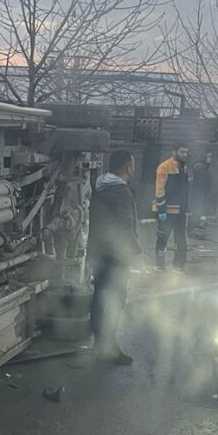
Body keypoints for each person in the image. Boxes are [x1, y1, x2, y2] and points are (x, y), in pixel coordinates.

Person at [88, 150, 140, 365]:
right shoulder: (120, 191)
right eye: (133, 165)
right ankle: (108, 347)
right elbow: (124, 227)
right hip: (116, 257)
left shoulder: (100, 188)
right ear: (128, 167)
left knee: (100, 298)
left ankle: (99, 344)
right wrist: (137, 252)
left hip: (98, 253)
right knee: (115, 301)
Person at [154, 143, 190, 273]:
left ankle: (178, 265)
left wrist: (186, 208)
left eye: (186, 152)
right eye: (182, 152)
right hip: (167, 211)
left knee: (180, 239)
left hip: (180, 210)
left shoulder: (184, 168)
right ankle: (159, 265)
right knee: (163, 238)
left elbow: (185, 190)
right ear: (174, 152)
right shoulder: (164, 167)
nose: (184, 155)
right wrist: (162, 210)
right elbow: (159, 190)